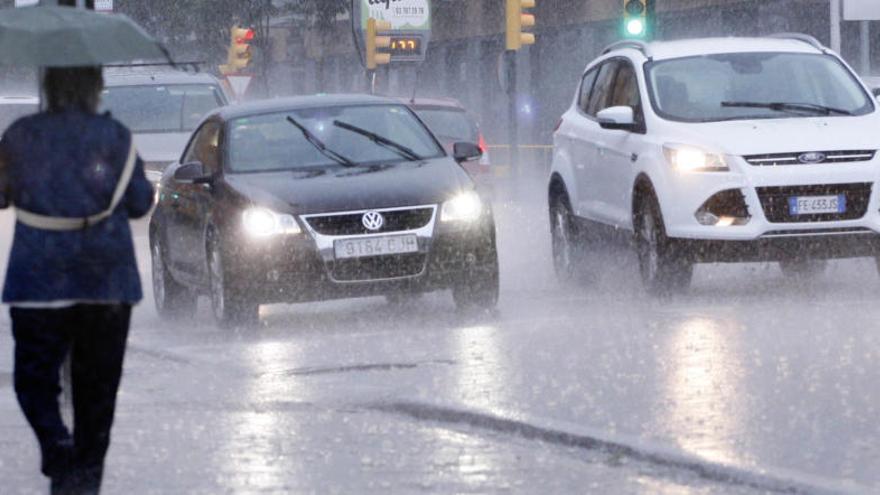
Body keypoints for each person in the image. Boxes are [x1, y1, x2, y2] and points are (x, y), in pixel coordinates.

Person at [0, 66, 153, 494]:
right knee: (96, 395)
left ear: (47, 87)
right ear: (94, 89)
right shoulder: (117, 137)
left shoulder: (20, 136)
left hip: (37, 286)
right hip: (106, 286)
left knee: (34, 382)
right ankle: (84, 482)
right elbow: (140, 203)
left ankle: (56, 443)